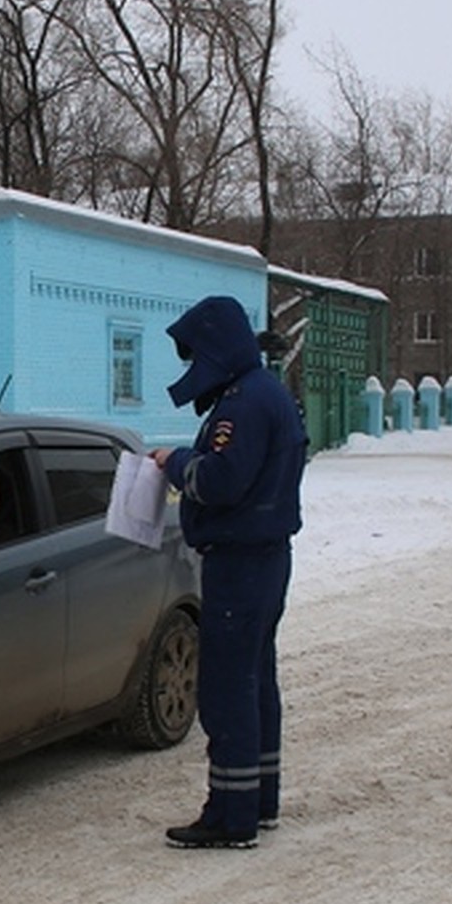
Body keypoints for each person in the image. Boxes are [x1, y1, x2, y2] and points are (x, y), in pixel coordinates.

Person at [150, 295, 307, 849]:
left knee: (226, 691)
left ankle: (230, 816)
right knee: (255, 682)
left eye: (196, 353)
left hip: (240, 565)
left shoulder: (241, 406)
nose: (193, 367)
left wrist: (175, 464)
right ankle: (258, 800)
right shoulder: (267, 394)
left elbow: (220, 482)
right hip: (265, 561)